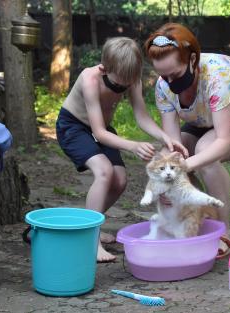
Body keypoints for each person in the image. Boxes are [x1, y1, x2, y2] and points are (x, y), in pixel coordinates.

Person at [56, 37, 188, 262]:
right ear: (106, 68)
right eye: (120, 83)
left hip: (102, 129)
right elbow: (98, 133)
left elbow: (141, 117)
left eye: (129, 81)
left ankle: (89, 224)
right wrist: (133, 146)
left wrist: (164, 137)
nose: (124, 86)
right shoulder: (90, 79)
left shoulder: (130, 78)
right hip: (74, 127)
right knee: (104, 172)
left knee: (119, 180)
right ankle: (91, 240)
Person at [144, 23, 230, 258]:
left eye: (176, 74)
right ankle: (197, 215)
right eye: (164, 75)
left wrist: (187, 166)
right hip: (202, 120)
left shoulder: (217, 75)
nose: (170, 82)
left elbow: (222, 140)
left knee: (205, 153)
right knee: (172, 157)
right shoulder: (163, 86)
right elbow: (173, 144)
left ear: (192, 60)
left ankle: (224, 234)